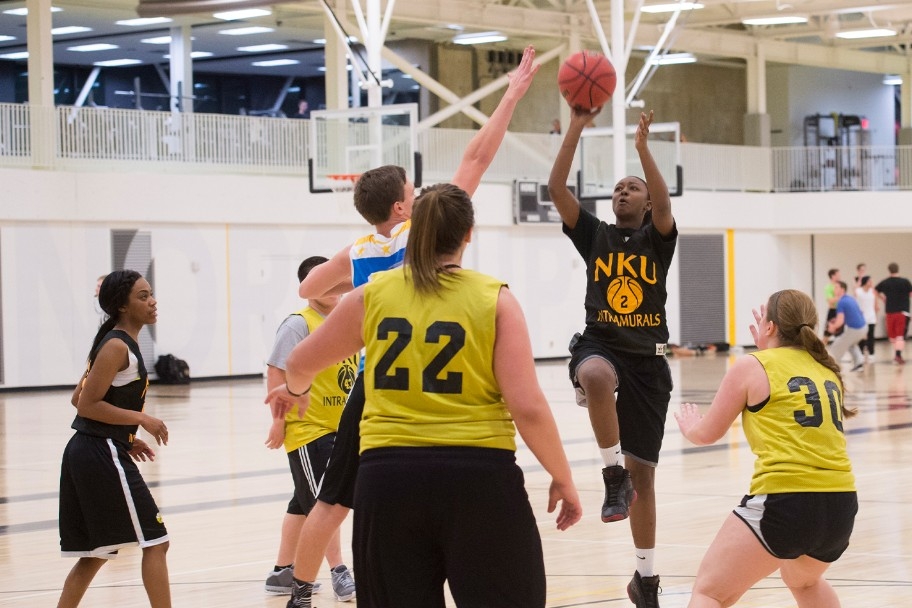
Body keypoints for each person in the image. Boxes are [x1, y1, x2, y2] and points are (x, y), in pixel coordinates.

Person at [280, 44, 540, 608]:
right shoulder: (420, 232)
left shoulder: (359, 249)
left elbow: (306, 290)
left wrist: (355, 293)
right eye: (412, 193)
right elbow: (475, 159)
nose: (419, 195)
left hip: (373, 385)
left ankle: (300, 589)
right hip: (421, 388)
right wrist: (512, 95)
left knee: (330, 501)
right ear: (404, 210)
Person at [266, 183, 582, 607]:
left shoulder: (370, 295)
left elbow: (300, 362)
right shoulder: (496, 299)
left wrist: (296, 392)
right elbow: (527, 406)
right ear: (468, 233)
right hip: (479, 475)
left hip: (388, 479)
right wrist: (562, 477)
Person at [548, 106, 676, 607]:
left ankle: (644, 577)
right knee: (596, 375)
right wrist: (577, 125)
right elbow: (558, 189)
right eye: (619, 186)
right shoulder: (595, 234)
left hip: (648, 361)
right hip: (601, 343)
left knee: (645, 475)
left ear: (646, 205)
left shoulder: (656, 238)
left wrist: (644, 151)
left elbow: (665, 204)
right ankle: (610, 474)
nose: (623, 191)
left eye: (633, 187)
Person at [674, 289, 857, 608]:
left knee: (709, 592)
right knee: (805, 581)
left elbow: (707, 434)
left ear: (769, 327)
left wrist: (690, 427)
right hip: (841, 505)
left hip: (787, 502)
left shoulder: (752, 365)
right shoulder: (826, 368)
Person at [58, 270, 171, 608]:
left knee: (95, 554)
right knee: (156, 540)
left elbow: (80, 399)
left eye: (151, 293)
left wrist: (126, 435)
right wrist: (140, 419)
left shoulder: (114, 340)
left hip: (96, 448)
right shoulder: (116, 346)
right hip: (98, 451)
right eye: (142, 296)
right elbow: (87, 403)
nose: (152, 301)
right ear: (122, 305)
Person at [262, 256, 359, 600]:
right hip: (309, 429)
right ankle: (339, 572)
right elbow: (276, 373)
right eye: (326, 284)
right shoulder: (298, 323)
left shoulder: (344, 320)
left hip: (338, 427)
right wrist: (278, 420)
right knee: (324, 502)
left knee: (302, 503)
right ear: (309, 287)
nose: (335, 290)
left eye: (338, 283)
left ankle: (282, 572)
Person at [875, 262, 912, 365]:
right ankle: (898, 355)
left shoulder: (886, 282)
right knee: (900, 336)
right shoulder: (905, 282)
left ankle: (897, 354)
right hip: (902, 312)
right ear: (898, 269)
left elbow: (875, 290)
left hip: (890, 312)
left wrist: (883, 298)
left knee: (893, 337)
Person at [826, 280, 867, 372]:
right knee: (851, 344)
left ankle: (832, 367)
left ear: (842, 289)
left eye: (836, 287)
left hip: (855, 329)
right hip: (863, 327)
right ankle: (859, 363)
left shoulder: (841, 302)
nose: (834, 289)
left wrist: (833, 327)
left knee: (836, 345)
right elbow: (859, 312)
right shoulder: (850, 298)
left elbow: (840, 321)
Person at [854, 275, 877, 361]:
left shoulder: (872, 291)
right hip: (861, 318)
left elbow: (875, 304)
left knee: (871, 336)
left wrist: (876, 316)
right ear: (865, 282)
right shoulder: (858, 291)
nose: (871, 283)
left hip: (871, 317)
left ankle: (871, 353)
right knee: (861, 337)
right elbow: (855, 301)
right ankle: (861, 353)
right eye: (869, 281)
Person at [823, 268, 841, 341]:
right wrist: (837, 295)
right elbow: (830, 301)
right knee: (828, 332)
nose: (840, 276)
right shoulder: (828, 287)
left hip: (840, 311)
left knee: (840, 332)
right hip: (833, 311)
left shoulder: (840, 286)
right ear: (833, 276)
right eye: (838, 274)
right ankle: (821, 349)